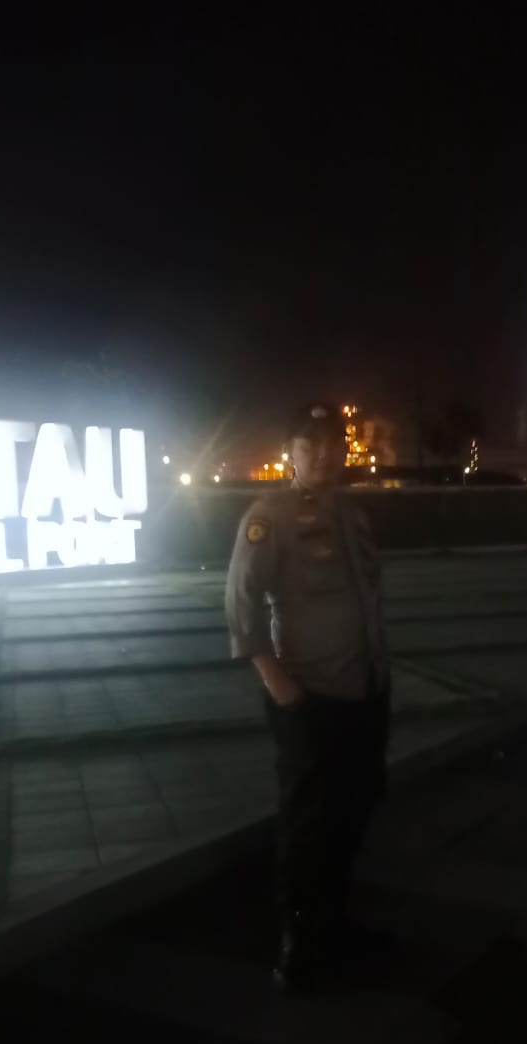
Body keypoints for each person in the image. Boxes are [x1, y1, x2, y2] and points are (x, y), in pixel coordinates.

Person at [225, 402, 391, 992]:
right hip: (309, 696)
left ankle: (335, 920)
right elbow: (241, 603)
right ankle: (297, 938)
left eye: (331, 444)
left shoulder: (352, 514)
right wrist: (279, 685)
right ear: (291, 453)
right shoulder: (269, 515)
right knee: (308, 820)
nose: (323, 455)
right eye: (309, 445)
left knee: (354, 808)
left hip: (365, 691)